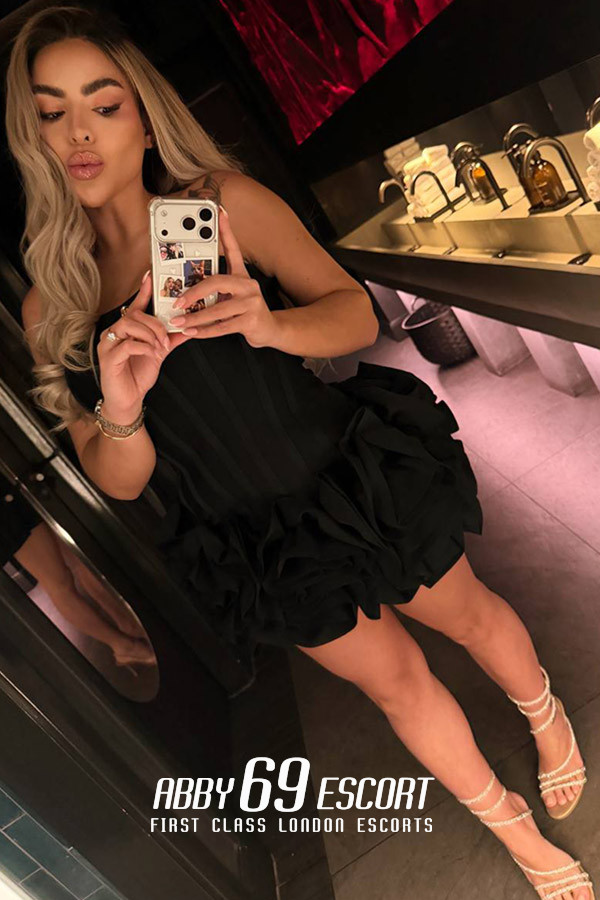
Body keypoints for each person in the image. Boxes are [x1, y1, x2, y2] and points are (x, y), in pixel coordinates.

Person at [6, 5, 593, 897]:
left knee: (469, 616)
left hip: (350, 477)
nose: (79, 133)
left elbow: (353, 313)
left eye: (104, 104)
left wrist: (267, 324)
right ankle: (511, 826)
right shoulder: (53, 304)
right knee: (396, 685)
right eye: (53, 112)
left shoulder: (221, 206)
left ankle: (545, 714)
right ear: (33, 136)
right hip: (257, 545)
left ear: (145, 117)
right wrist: (121, 407)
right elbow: (120, 480)